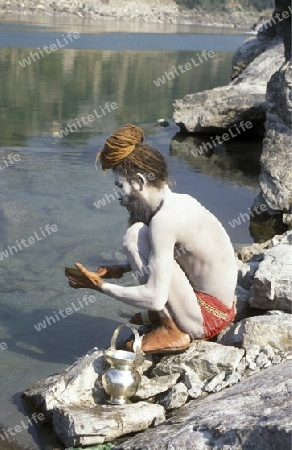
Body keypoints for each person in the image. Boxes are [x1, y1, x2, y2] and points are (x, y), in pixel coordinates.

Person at [65, 124, 238, 354]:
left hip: (208, 318)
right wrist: (121, 268)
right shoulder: (181, 202)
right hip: (223, 307)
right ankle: (168, 320)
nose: (119, 197)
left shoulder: (164, 222)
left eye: (120, 186)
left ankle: (171, 330)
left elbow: (155, 298)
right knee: (140, 235)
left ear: (138, 182)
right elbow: (177, 254)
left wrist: (101, 286)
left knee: (133, 237)